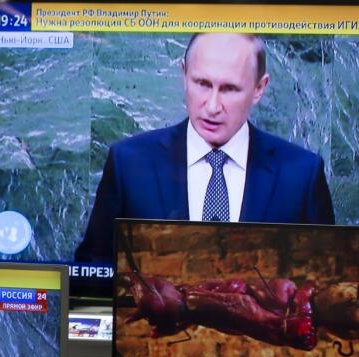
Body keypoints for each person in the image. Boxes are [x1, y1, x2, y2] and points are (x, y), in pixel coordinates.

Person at [75, 32, 335, 264]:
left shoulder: (301, 175)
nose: (212, 106)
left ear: (259, 88)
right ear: (184, 74)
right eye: (202, 84)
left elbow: (328, 280)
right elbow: (92, 277)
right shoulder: (130, 164)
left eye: (230, 89)